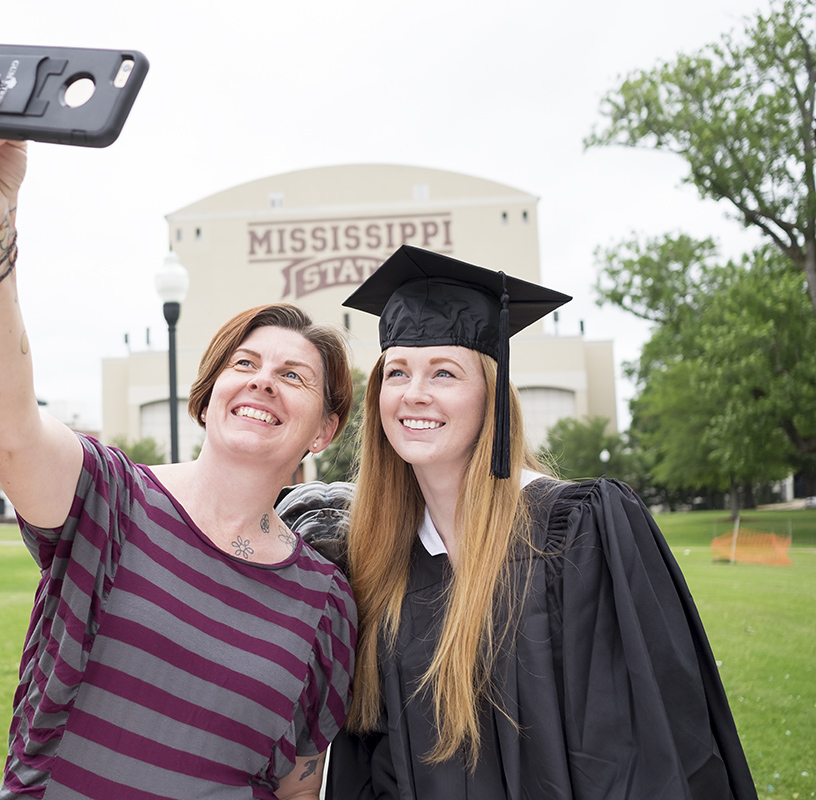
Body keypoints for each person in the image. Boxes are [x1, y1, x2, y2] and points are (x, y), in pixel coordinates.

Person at [0, 67, 357, 800]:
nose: (261, 381)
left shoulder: (325, 604)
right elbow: (5, 425)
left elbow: (296, 784)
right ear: (210, 392)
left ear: (324, 429)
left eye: (294, 376)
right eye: (244, 363)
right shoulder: (112, 499)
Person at [300, 245, 757, 799]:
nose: (414, 394)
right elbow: (374, 763)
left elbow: (636, 755)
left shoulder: (577, 532)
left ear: (491, 394)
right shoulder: (379, 561)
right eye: (397, 372)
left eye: (444, 372)